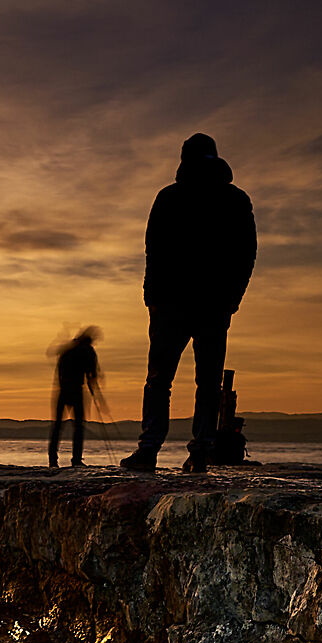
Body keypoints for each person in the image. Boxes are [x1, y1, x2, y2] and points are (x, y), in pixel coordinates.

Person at [121, 133, 256, 473]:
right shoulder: (219, 199)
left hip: (191, 304)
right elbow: (155, 248)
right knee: (189, 381)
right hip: (184, 304)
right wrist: (153, 296)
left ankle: (171, 450)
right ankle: (185, 451)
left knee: (166, 380)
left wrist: (231, 299)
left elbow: (245, 254)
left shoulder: (208, 199)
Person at [49, 327, 102, 468]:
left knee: (58, 426)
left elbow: (59, 372)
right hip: (76, 391)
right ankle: (76, 460)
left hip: (63, 390)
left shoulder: (68, 350)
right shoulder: (88, 351)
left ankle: (52, 461)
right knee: (78, 426)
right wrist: (95, 393)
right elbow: (92, 375)